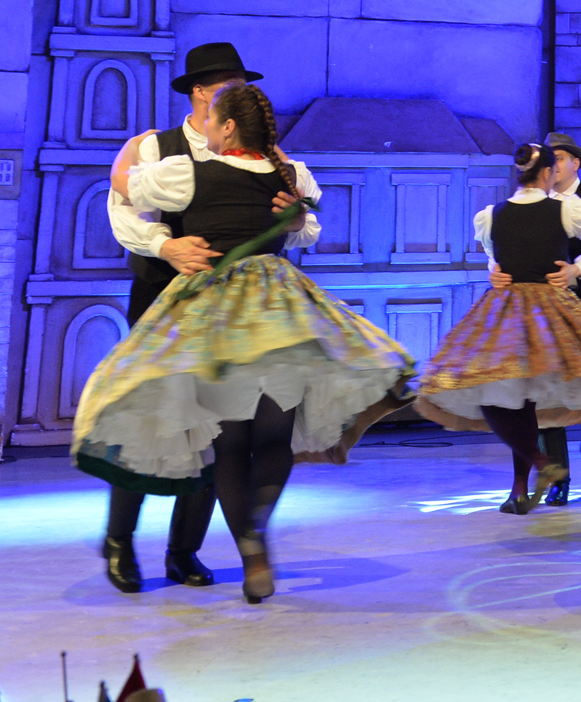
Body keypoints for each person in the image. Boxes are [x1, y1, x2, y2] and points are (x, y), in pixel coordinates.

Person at [74, 83, 416, 604]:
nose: (208, 124)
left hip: (214, 316)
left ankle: (211, 548)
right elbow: (305, 219)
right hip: (281, 314)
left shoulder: (189, 171)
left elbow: (125, 185)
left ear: (228, 125)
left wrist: (125, 152)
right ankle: (251, 534)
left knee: (227, 442)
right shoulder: (287, 173)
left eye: (216, 116)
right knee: (272, 439)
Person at [415, 142, 581, 515]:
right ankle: (542, 469)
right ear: (546, 172)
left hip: (508, 313)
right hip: (546, 311)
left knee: (509, 398)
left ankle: (531, 480)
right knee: (522, 399)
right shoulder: (565, 209)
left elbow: (494, 254)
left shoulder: (493, 213)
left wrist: (497, 269)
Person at [96, 43, 259, 593]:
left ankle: (183, 550)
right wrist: (166, 247)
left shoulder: (254, 149)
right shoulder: (156, 147)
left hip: (228, 306)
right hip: (162, 296)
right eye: (228, 85)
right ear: (199, 91)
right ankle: (119, 541)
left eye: (243, 86)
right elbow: (123, 209)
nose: (239, 95)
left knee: (216, 427)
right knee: (148, 419)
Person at [499, 132, 581, 507]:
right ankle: (560, 478)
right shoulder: (532, 202)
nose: (552, 166)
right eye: (548, 159)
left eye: (560, 158)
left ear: (574, 163)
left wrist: (576, 270)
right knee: (545, 390)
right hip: (547, 309)